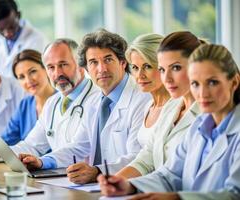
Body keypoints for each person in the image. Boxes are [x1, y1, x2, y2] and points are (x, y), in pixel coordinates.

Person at [98, 44, 240, 200]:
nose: (202, 93)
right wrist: (130, 186)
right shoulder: (199, 127)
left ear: (234, 82)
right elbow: (169, 175)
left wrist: (177, 198)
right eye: (195, 84)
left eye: (212, 82)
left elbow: (234, 194)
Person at [19, 29, 151, 184]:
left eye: (108, 59)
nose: (101, 69)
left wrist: (97, 172)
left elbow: (138, 157)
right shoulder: (96, 101)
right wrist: (43, 162)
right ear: (86, 68)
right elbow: (79, 146)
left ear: (123, 63)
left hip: (129, 187)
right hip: (99, 187)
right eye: (93, 62)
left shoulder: (141, 98)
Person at [114, 31, 202, 179]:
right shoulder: (171, 107)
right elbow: (147, 157)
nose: (167, 78)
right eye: (162, 69)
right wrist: (115, 181)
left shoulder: (208, 114)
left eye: (175, 68)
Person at [9, 38, 99, 157]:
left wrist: (42, 162)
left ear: (81, 65)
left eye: (63, 64)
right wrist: (2, 153)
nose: (57, 73)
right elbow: (31, 145)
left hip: (89, 174)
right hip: (59, 174)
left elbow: (79, 150)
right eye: (51, 67)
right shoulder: (52, 103)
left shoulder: (97, 98)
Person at [124, 33, 170, 150]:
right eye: (135, 68)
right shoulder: (148, 106)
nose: (140, 75)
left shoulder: (177, 108)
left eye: (147, 66)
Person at [0, 0, 47, 78]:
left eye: (11, 27)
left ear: (18, 15)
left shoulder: (37, 39)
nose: (8, 33)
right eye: (1, 29)